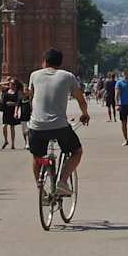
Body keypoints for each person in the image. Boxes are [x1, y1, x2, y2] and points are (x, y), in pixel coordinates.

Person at [27, 48, 88, 194]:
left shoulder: (34, 75)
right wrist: (84, 114)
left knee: (37, 156)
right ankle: (62, 181)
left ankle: (40, 188)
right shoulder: (68, 76)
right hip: (59, 126)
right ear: (60, 63)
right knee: (76, 152)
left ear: (45, 62)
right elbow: (80, 99)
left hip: (37, 125)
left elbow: (31, 97)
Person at [0, 78, 23, 150]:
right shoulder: (6, 90)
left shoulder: (17, 92)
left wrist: (13, 105)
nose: (11, 85)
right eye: (10, 84)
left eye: (13, 84)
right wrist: (7, 82)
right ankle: (6, 140)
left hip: (13, 110)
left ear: (16, 85)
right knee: (4, 126)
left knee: (12, 127)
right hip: (6, 110)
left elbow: (19, 102)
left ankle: (12, 143)